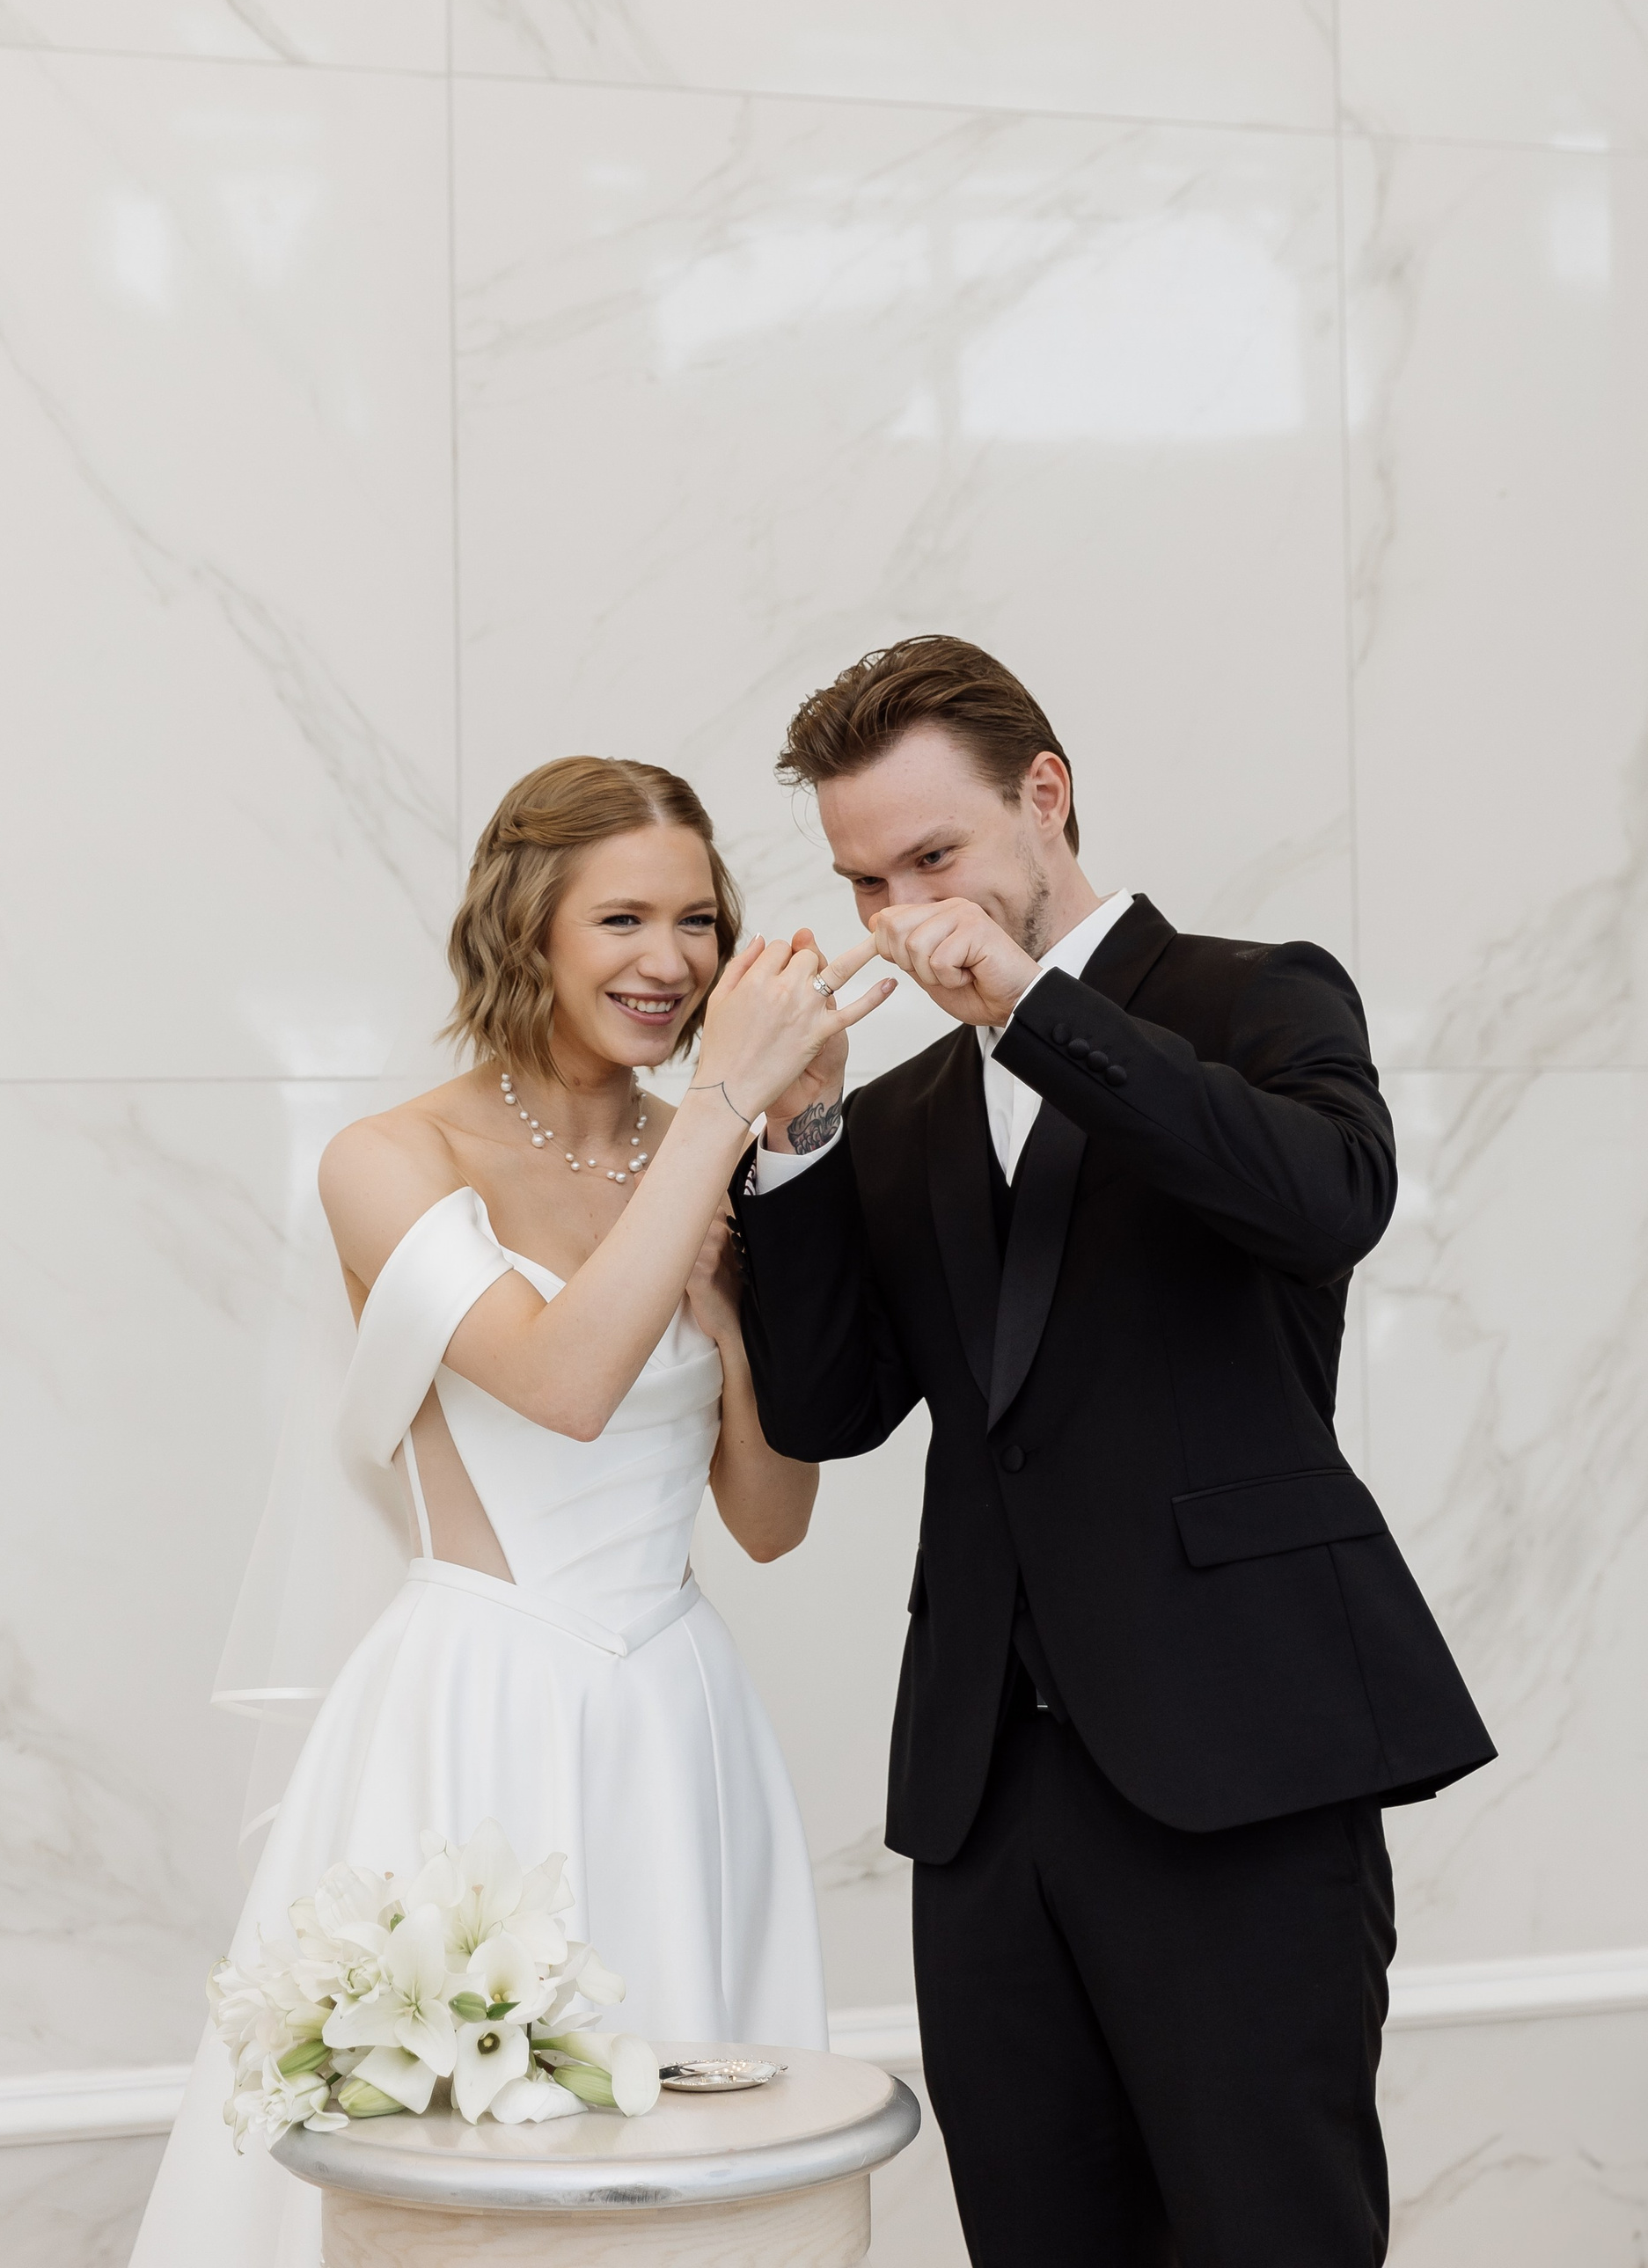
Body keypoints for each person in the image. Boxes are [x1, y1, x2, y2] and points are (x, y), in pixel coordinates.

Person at [733, 636, 1495, 2268]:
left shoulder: (1254, 994)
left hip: (1240, 1761)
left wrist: (1031, 1011)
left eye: (932, 856)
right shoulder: (903, 1113)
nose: (899, 912)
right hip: (984, 1799)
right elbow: (827, 1411)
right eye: (864, 881)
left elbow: (1328, 1203)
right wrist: (798, 1132)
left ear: (1046, 795)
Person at [131, 754, 893, 2268]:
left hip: (681, 1717)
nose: (669, 961)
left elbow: (770, 1520)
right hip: (477, 1706)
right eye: (622, 919)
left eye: (697, 921)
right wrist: (722, 1114)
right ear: (523, 925)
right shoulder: (390, 1160)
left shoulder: (704, 1154)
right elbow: (563, 1382)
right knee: (461, 2177)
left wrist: (738, 1320)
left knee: (695, 2168)